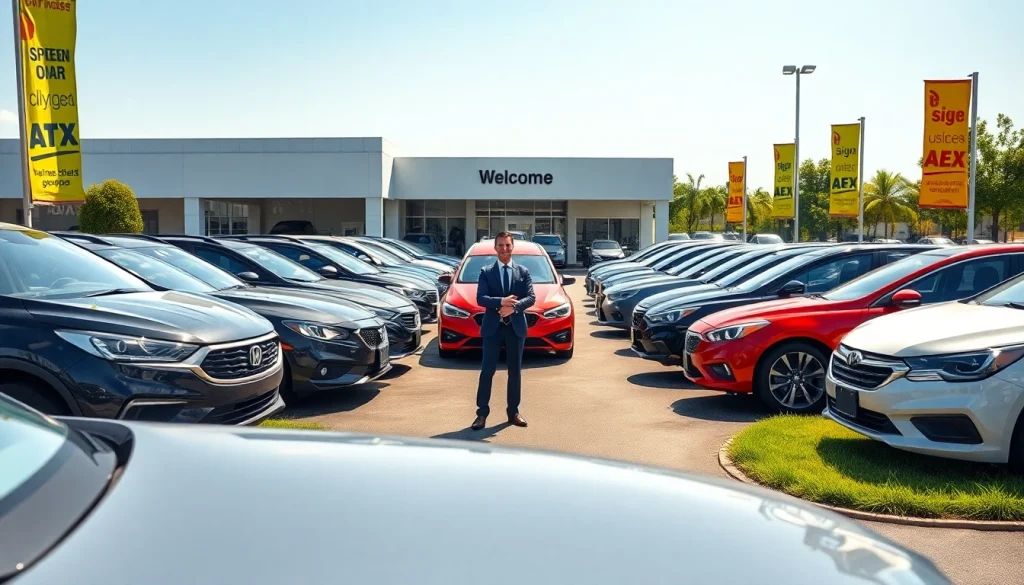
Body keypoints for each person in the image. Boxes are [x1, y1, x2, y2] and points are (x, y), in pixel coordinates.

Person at [472, 231, 535, 430]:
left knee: (515, 372)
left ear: (512, 247)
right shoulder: (486, 271)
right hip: (493, 328)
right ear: (495, 248)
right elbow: (480, 298)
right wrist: (501, 302)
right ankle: (481, 414)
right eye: (500, 245)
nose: (504, 249)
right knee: (487, 371)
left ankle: (513, 412)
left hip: (515, 328)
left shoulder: (523, 271)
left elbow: (531, 297)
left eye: (507, 245)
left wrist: (514, 307)